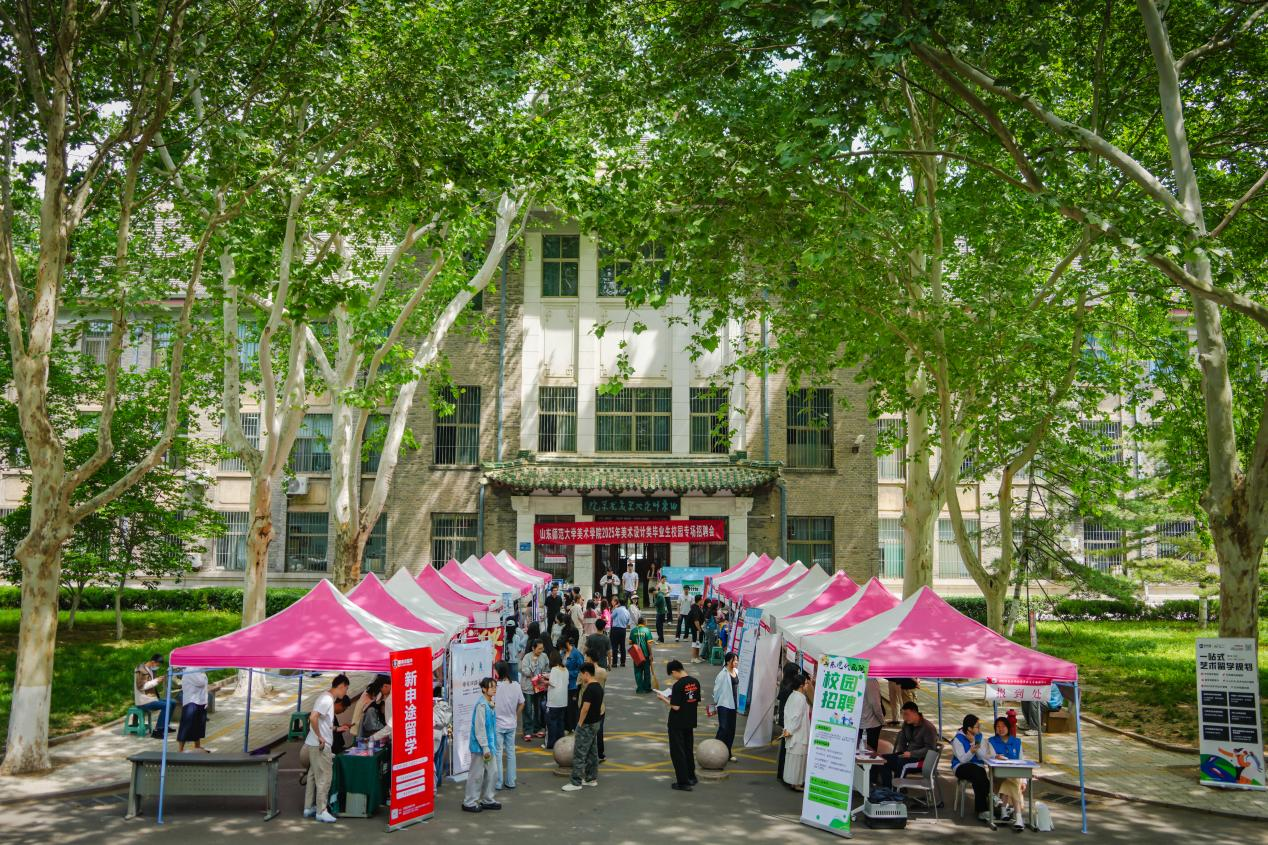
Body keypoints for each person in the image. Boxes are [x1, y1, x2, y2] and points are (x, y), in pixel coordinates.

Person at [303, 674, 350, 823]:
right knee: (325, 777)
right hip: (320, 745)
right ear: (341, 686)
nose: (346, 692)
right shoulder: (327, 699)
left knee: (313, 775)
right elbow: (313, 717)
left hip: (314, 744)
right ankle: (321, 810)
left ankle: (308, 807)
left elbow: (324, 723)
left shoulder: (325, 697)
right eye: (346, 689)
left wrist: (336, 729)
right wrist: (320, 737)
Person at [875, 701, 939, 789]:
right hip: (907, 755)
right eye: (903, 714)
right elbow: (902, 739)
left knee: (901, 763)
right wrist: (902, 752)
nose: (904, 717)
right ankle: (887, 789)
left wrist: (912, 754)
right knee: (883, 759)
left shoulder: (928, 728)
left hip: (922, 760)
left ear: (915, 713)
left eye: (906, 714)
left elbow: (930, 749)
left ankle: (897, 790)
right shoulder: (907, 724)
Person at [659, 659, 700, 791]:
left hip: (677, 722)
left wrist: (663, 698)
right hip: (690, 720)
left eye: (672, 675)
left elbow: (676, 707)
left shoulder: (678, 685)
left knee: (678, 752)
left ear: (674, 671)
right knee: (688, 749)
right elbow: (693, 700)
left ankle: (683, 782)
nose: (673, 677)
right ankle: (691, 777)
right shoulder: (695, 682)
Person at [562, 662, 603, 791]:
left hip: (586, 725)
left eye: (581, 674)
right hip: (595, 723)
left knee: (579, 753)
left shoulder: (589, 689)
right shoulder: (599, 687)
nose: (580, 677)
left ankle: (576, 782)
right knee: (592, 752)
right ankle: (591, 778)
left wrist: (579, 724)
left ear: (586, 674)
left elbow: (585, 708)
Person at [462, 677, 501, 813]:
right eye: (491, 687)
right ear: (484, 689)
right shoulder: (482, 705)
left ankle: (488, 799)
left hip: (489, 746)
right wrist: (485, 747)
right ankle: (469, 802)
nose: (494, 689)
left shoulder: (489, 703)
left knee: (493, 772)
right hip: (480, 747)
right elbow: (480, 728)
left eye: (495, 686)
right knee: (476, 775)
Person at [950, 714, 995, 825]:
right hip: (961, 767)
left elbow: (982, 757)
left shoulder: (979, 736)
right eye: (977, 726)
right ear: (969, 728)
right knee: (977, 771)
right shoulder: (957, 739)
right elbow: (962, 760)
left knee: (978, 774)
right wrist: (971, 750)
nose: (979, 729)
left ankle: (982, 810)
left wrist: (974, 742)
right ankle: (991, 797)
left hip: (977, 768)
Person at [988, 716, 1027, 829]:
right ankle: (1018, 817)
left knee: (1010, 781)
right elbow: (990, 757)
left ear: (1008, 728)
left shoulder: (1016, 742)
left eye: (1003, 726)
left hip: (1013, 774)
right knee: (1012, 781)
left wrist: (1024, 780)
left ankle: (1004, 811)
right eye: (998, 727)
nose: (1000, 729)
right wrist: (996, 757)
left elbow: (1022, 761)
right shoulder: (991, 741)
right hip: (997, 774)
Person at [493, 661, 524, 790]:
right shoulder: (516, 685)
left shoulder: (495, 687)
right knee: (511, 753)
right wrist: (516, 714)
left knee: (498, 753)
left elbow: (491, 704)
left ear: (498, 672)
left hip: (498, 724)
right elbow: (522, 702)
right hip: (511, 723)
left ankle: (498, 782)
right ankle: (511, 781)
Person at [782, 672, 813, 791]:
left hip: (791, 732)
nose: (807, 685)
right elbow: (797, 717)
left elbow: (787, 713)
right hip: (798, 733)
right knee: (798, 759)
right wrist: (790, 729)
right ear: (801, 685)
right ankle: (797, 783)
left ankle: (793, 781)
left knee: (793, 759)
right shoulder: (801, 698)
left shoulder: (792, 695)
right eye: (806, 683)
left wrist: (787, 728)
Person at [134, 654, 177, 738]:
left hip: (151, 698)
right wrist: (156, 681)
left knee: (172, 702)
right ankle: (158, 730)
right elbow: (141, 687)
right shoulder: (141, 670)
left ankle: (164, 726)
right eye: (158, 664)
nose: (158, 667)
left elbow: (151, 683)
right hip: (143, 701)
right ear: (153, 662)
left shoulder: (150, 669)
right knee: (166, 705)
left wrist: (157, 680)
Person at [775, 664, 803, 782]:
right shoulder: (791, 688)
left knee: (784, 747)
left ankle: (781, 773)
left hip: (784, 719)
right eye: (797, 672)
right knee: (787, 748)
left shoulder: (784, 683)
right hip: (788, 721)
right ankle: (784, 774)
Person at [520, 639, 549, 741]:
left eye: (542, 648)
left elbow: (547, 669)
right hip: (528, 687)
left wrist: (544, 675)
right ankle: (527, 731)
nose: (541, 650)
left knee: (538, 709)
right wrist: (533, 662)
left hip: (539, 686)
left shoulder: (544, 656)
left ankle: (537, 729)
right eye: (539, 649)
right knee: (527, 709)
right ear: (533, 648)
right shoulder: (527, 657)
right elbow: (526, 671)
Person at [712, 652, 739, 758]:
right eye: (734, 660)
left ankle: (728, 753)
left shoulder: (736, 671)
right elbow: (716, 689)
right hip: (724, 704)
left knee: (731, 729)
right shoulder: (722, 674)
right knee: (723, 728)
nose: (736, 662)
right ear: (728, 661)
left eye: (737, 660)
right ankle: (714, 751)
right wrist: (716, 702)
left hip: (733, 704)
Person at [176, 668, 209, 752]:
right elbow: (201, 682)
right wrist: (203, 676)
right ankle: (180, 749)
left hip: (200, 701)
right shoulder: (190, 669)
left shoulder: (199, 670)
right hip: (191, 701)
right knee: (186, 726)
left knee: (198, 726)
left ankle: (197, 746)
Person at [545, 651, 568, 750]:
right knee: (560, 722)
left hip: (553, 701)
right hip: (563, 701)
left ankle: (551, 743)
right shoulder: (565, 669)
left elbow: (552, 683)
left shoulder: (554, 669)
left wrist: (544, 681)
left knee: (552, 723)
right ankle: (560, 742)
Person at [629, 615, 655, 693]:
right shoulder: (647, 630)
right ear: (644, 622)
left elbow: (630, 642)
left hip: (636, 655)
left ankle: (640, 688)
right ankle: (647, 688)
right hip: (645, 654)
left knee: (638, 672)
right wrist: (651, 654)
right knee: (646, 672)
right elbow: (649, 644)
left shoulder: (633, 630)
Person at [563, 638, 585, 731]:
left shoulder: (576, 654)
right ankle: (568, 726)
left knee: (573, 707)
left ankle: (574, 726)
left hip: (573, 685)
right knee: (566, 706)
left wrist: (568, 673)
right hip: (564, 683)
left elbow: (581, 669)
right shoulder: (563, 653)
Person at [433, 683, 452, 787]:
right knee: (440, 757)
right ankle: (439, 780)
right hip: (444, 733)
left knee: (435, 758)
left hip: (436, 733)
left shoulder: (435, 705)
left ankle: (435, 781)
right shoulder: (446, 704)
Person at [859, 677, 884, 754]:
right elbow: (875, 704)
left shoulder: (856, 677)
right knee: (869, 754)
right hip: (871, 724)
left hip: (859, 722)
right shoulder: (870, 680)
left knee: (861, 752)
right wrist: (882, 720)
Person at [609, 598, 631, 668]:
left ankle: (614, 663)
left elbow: (611, 617)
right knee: (622, 646)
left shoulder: (616, 610)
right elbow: (628, 621)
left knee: (615, 646)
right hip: (623, 629)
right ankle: (623, 662)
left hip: (615, 629)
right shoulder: (627, 611)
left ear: (619, 603)